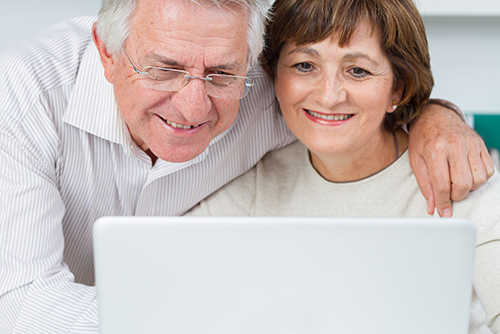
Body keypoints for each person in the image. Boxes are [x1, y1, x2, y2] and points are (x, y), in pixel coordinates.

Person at [0, 0, 493, 332]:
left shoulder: (268, 94)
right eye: (164, 68)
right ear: (107, 53)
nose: (194, 107)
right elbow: (23, 304)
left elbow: (349, 100)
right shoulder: (22, 94)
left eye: (221, 75)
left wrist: (435, 115)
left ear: (253, 65)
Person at [186, 0, 500, 332]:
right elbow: (168, 286)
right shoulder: (254, 183)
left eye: (358, 70)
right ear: (274, 76)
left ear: (398, 88)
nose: (329, 96)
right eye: (305, 65)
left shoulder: (458, 180)